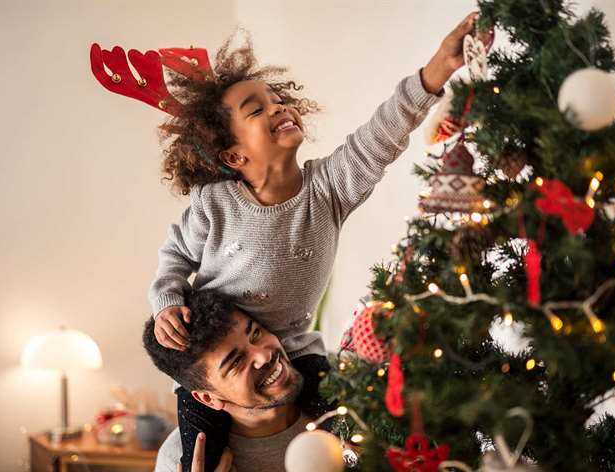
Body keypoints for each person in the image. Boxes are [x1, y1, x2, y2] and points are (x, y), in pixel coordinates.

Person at [146, 11, 490, 472]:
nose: (277, 108)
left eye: (275, 100)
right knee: (200, 459)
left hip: (299, 350)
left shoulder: (328, 189)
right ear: (234, 153)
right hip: (211, 347)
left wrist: (435, 72)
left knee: (347, 430)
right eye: (257, 109)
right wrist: (166, 298)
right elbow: (175, 252)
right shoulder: (216, 203)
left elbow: (380, 135)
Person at [144, 289, 328, 472]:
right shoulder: (176, 459)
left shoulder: (346, 396)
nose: (264, 356)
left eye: (255, 334)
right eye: (236, 362)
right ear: (208, 399)